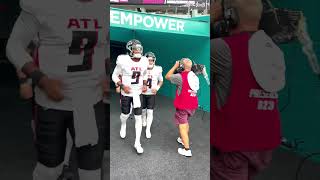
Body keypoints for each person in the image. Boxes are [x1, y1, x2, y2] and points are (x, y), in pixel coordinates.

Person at [6, 0, 108, 179]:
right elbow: (14, 46)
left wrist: (108, 74)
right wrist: (41, 80)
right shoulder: (43, 4)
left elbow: (105, 45)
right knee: (49, 170)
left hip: (89, 100)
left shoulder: (106, 6)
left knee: (91, 172)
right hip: (52, 103)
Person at [211, 0, 286, 179]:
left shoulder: (223, 48)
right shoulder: (274, 50)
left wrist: (209, 17)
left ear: (230, 16)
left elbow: (186, 57)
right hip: (264, 144)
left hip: (233, 145)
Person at [111, 39, 148, 154]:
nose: (138, 51)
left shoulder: (144, 61)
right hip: (126, 93)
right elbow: (114, 75)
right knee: (125, 115)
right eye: (135, 48)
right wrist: (122, 86)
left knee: (138, 117)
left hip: (138, 93)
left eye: (139, 48)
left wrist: (145, 84)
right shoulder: (123, 60)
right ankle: (123, 124)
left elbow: (145, 73)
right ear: (129, 49)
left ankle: (137, 143)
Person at [165, 58, 199, 157]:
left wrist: (175, 66)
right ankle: (183, 140)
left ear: (181, 66)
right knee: (186, 122)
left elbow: (167, 76)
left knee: (182, 126)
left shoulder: (180, 76)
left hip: (183, 105)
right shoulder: (194, 76)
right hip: (192, 105)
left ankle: (187, 149)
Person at [141, 52, 163, 138]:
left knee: (150, 111)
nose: (150, 61)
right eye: (148, 60)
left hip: (151, 93)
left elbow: (161, 80)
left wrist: (157, 88)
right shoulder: (141, 68)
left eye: (152, 60)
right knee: (143, 110)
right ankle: (143, 118)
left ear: (154, 60)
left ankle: (148, 129)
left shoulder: (158, 69)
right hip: (142, 93)